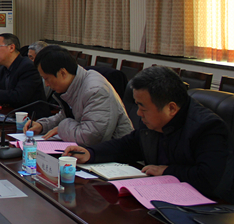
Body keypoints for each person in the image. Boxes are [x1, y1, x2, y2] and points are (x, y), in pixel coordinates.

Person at [64, 66, 231, 199]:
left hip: (202, 211)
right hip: (159, 196)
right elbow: (129, 145)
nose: (138, 113)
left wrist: (167, 171)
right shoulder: (154, 122)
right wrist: (91, 153)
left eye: (143, 108)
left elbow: (208, 178)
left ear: (171, 108)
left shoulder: (207, 127)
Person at [26, 45, 133, 146]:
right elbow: (67, 115)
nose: (47, 84)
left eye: (47, 79)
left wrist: (61, 128)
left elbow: (91, 137)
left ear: (63, 73)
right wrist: (43, 125)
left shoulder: (95, 91)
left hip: (116, 153)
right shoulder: (75, 84)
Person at [0, 33, 48, 117]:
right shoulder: (3, 68)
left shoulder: (28, 67)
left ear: (11, 48)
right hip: (10, 114)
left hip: (32, 118)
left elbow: (20, 96)